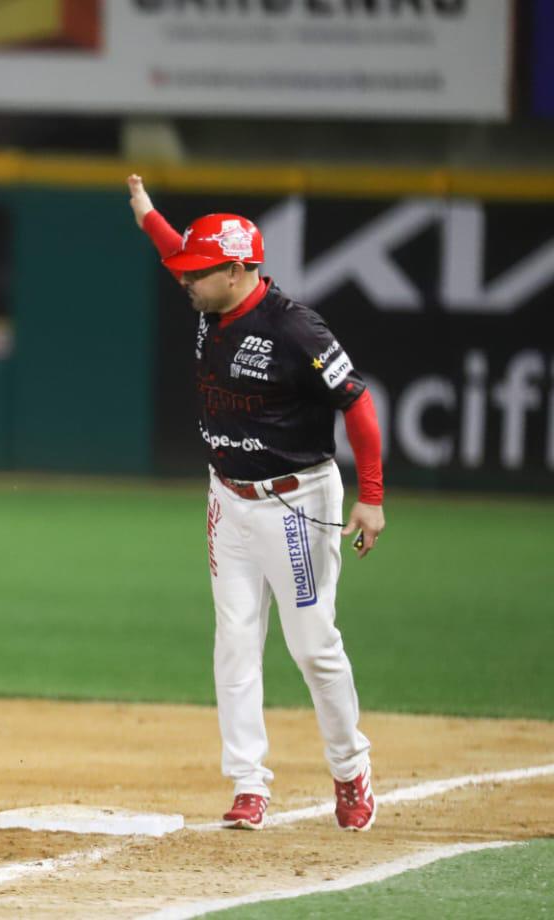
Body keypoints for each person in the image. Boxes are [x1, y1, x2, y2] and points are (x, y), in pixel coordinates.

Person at [126, 175, 386, 832]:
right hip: (228, 500)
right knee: (234, 640)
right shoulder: (211, 302)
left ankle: (350, 768)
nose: (184, 280)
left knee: (311, 645)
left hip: (294, 502)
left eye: (199, 271)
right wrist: (150, 217)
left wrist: (372, 497)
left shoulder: (296, 331)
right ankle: (248, 782)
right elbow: (174, 253)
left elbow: (357, 403)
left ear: (239, 270)